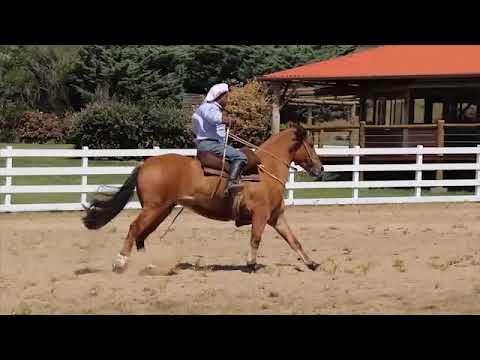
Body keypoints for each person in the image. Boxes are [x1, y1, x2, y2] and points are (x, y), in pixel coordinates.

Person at [192, 83, 248, 194]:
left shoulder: (207, 108)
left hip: (208, 143)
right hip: (210, 144)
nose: (227, 100)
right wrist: (229, 120)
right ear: (220, 96)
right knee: (240, 157)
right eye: (226, 97)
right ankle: (231, 183)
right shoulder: (209, 107)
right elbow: (214, 118)